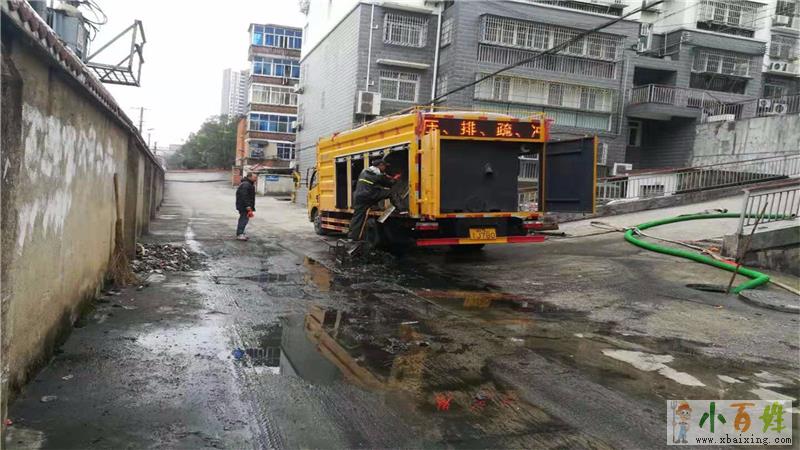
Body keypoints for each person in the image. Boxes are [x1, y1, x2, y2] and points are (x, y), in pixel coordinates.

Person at [348, 159, 400, 240]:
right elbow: (389, 184)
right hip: (369, 196)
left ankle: (352, 237)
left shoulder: (365, 171)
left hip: (359, 197)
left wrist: (385, 176)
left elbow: (374, 182)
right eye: (384, 166)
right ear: (380, 165)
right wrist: (395, 178)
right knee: (391, 193)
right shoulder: (377, 175)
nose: (385, 168)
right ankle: (400, 209)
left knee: (357, 217)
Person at [235, 172, 257, 240]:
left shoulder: (248, 184)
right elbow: (244, 196)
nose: (256, 178)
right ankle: (240, 234)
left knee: (244, 219)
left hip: (244, 205)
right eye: (254, 177)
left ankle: (241, 233)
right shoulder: (246, 185)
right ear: (249, 177)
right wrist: (248, 206)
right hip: (244, 206)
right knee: (243, 219)